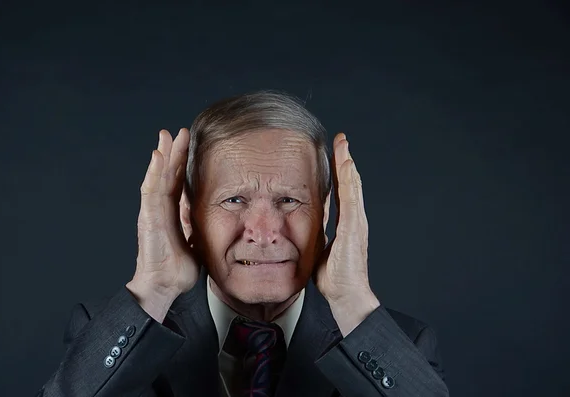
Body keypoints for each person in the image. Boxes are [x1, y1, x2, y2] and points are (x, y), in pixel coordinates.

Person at [36, 91, 449, 397]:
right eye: (234, 200)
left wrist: (354, 305)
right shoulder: (106, 332)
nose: (265, 231)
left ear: (324, 214)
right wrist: (154, 289)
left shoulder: (403, 345)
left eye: (289, 200)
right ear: (188, 215)